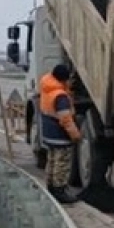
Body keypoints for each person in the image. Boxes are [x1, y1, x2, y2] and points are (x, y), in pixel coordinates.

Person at [39, 63, 81, 203]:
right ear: (63, 79)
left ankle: (51, 187)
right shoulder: (60, 96)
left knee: (51, 161)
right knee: (61, 164)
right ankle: (60, 191)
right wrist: (76, 135)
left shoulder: (47, 89)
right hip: (60, 136)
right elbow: (66, 120)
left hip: (49, 134)